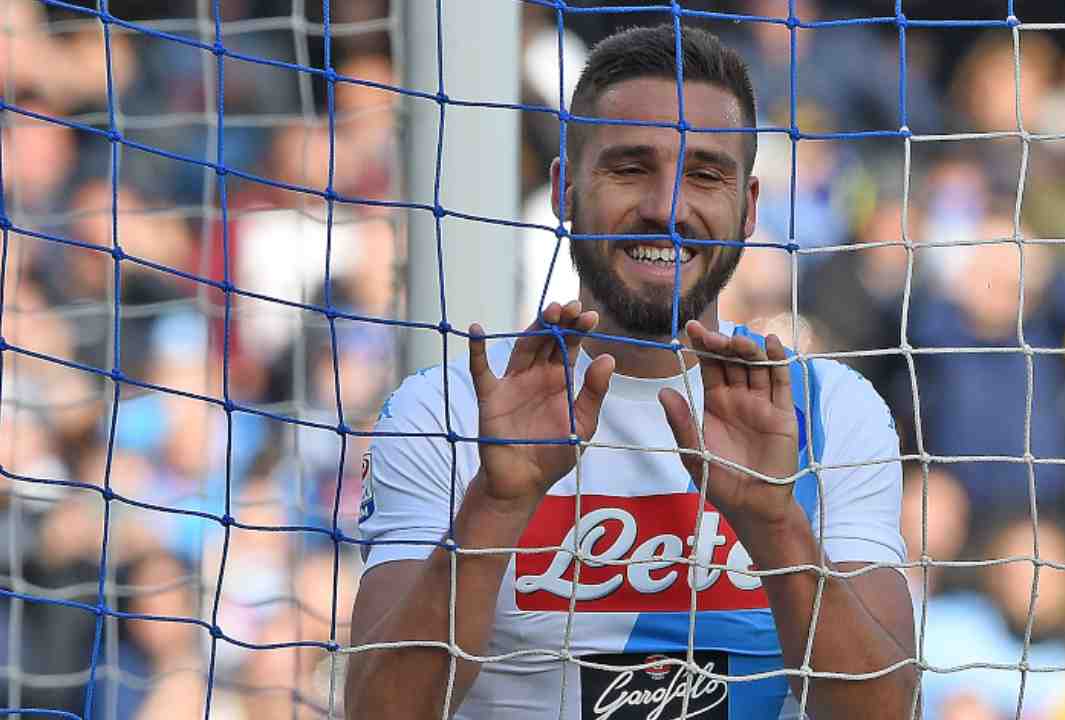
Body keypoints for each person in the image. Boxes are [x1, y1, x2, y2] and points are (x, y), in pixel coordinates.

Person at [345, 24, 917, 720]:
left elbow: (886, 710)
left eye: (706, 174)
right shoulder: (445, 410)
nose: (668, 207)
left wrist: (774, 523)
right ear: (564, 190)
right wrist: (496, 506)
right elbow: (378, 712)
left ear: (750, 208)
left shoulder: (831, 410)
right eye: (629, 167)